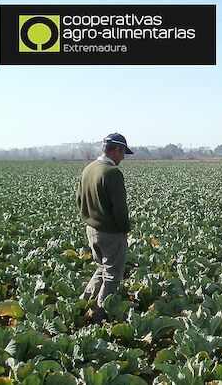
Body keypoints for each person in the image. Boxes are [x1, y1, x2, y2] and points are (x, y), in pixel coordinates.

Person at [76, 133, 133, 318]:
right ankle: (100, 312)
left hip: (91, 229)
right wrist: (124, 230)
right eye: (123, 153)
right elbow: (119, 207)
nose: (123, 158)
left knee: (102, 268)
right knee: (112, 275)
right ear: (117, 150)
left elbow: (79, 199)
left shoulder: (88, 169)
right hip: (110, 232)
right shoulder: (111, 172)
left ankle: (83, 301)